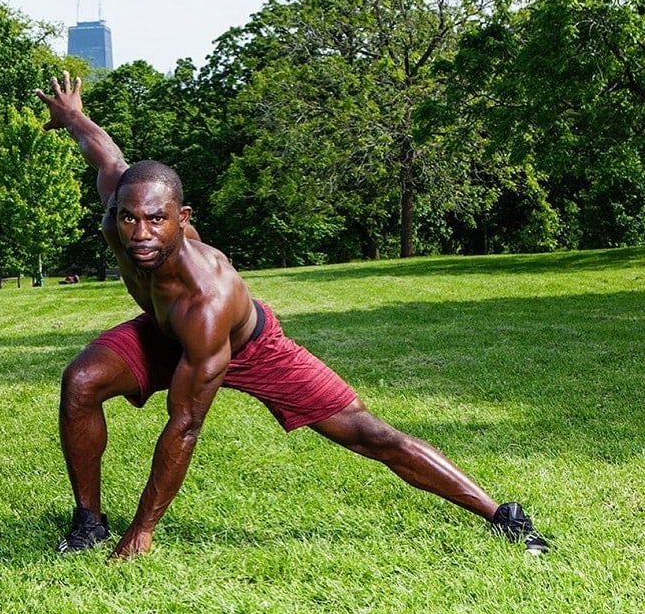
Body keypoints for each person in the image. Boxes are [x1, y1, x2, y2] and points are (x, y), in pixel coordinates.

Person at [36, 72, 549, 562]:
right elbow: (105, 153)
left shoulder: (207, 297)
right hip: (167, 332)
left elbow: (186, 423)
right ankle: (88, 522)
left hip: (247, 344)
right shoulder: (120, 211)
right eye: (129, 218)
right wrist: (75, 117)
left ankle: (502, 515)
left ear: (182, 218)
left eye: (155, 220)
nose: (140, 233)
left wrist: (143, 529)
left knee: (368, 433)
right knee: (81, 381)